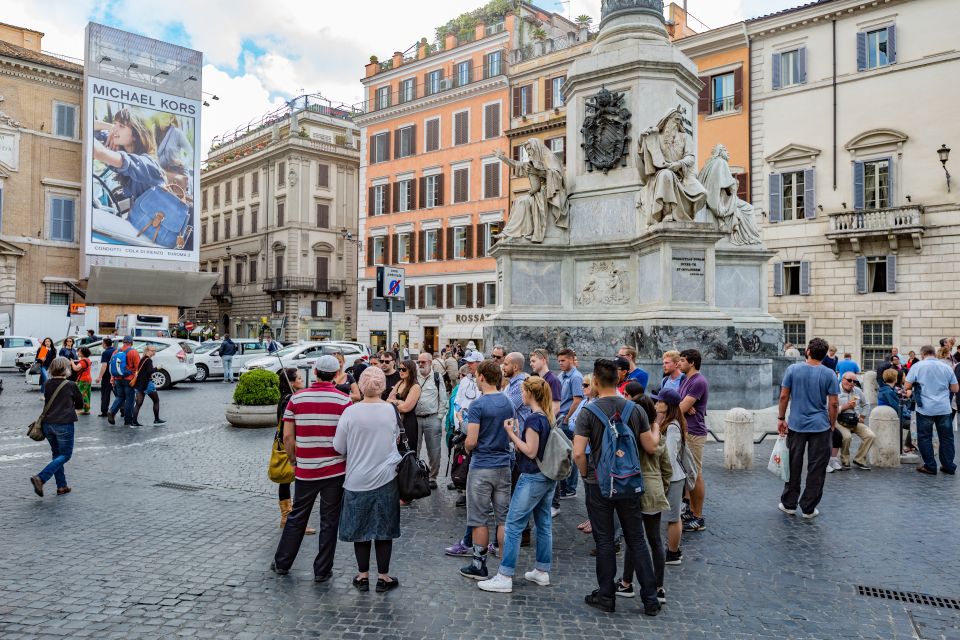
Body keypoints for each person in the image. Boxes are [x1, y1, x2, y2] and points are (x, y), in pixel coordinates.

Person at [574, 358, 662, 615]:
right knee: (637, 538)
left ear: (597, 382)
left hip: (598, 482)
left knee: (604, 541)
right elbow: (650, 447)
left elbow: (578, 453)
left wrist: (585, 474)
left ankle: (606, 596)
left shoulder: (589, 411)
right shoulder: (635, 410)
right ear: (618, 380)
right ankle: (650, 599)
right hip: (629, 481)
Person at [271, 355, 352, 581]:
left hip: (306, 469)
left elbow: (288, 436)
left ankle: (282, 562)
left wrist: (294, 459)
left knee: (297, 516)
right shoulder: (344, 401)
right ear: (337, 374)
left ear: (314, 372)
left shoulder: (296, 399)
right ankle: (322, 570)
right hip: (335, 470)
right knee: (329, 521)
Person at [477, 376, 557, 593]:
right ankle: (542, 571)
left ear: (529, 394)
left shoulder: (534, 419)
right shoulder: (546, 416)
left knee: (513, 525)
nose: (521, 395)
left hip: (532, 476)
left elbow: (530, 451)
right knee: (544, 523)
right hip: (547, 475)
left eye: (523, 392)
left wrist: (511, 434)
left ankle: (505, 574)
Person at [334, 366, 402, 593]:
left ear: (361, 386)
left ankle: (362, 575)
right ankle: (383, 576)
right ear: (383, 386)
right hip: (386, 477)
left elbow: (338, 447)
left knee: (360, 529)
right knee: (384, 529)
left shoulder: (350, 412)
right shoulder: (391, 411)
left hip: (356, 478)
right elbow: (397, 440)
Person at [459, 360, 514, 580]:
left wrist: (465, 444)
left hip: (482, 465)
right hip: (504, 464)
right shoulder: (508, 401)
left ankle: (479, 565)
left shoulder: (478, 405)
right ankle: (504, 567)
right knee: (503, 518)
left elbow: (471, 441)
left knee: (479, 518)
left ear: (481, 377)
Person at [777, 338, 840, 519]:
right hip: (820, 426)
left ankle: (789, 503)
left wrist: (781, 418)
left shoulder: (793, 369)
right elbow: (834, 403)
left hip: (797, 424)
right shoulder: (829, 374)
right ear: (824, 354)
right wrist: (833, 423)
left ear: (808, 352)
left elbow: (783, 396)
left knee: (793, 465)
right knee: (817, 468)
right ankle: (808, 508)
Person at [617, 394, 671, 605]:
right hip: (654, 489)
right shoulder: (658, 437)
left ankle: (626, 582)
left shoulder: (628, 436)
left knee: (633, 538)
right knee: (655, 539)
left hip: (631, 489)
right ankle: (659, 587)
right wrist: (661, 488)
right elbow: (667, 469)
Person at [29, 357, 84, 498]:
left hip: (47, 424)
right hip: (64, 423)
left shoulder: (47, 383)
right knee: (65, 455)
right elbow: (79, 404)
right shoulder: (71, 384)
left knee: (56, 454)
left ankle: (62, 486)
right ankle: (41, 478)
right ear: (66, 368)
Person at [905, 345, 958, 475]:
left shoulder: (917, 366)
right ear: (934, 353)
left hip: (925, 408)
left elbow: (907, 385)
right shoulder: (946, 367)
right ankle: (948, 466)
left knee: (925, 437)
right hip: (944, 408)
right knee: (947, 438)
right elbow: (955, 389)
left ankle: (930, 466)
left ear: (922, 354)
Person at [92, 107, 165, 201]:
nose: (115, 129)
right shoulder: (117, 142)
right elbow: (90, 124)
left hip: (156, 214)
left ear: (136, 135)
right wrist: (110, 127)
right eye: (115, 124)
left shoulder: (146, 163)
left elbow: (99, 152)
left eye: (121, 126)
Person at [274, 367, 315, 535]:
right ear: (291, 382)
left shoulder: (285, 397)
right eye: (298, 378)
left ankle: (286, 517)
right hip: (293, 443)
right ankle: (296, 522)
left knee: (286, 480)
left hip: (284, 443)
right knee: (300, 482)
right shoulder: (290, 399)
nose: (301, 380)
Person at [656, 388, 687, 565]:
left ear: (668, 406)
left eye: (660, 401)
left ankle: (673, 553)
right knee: (672, 517)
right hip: (671, 477)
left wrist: (664, 481)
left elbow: (668, 457)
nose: (657, 403)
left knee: (674, 518)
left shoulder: (672, 427)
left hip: (673, 478)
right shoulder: (668, 423)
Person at [678, 349, 709, 532]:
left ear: (692, 363)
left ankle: (699, 517)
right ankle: (691, 510)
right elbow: (679, 403)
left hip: (694, 432)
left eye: (682, 360)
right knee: (689, 473)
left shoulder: (698, 381)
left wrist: (683, 405)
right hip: (686, 430)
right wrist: (681, 405)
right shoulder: (685, 379)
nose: (679, 363)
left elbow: (681, 407)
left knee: (696, 473)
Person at [387, 360, 421, 504]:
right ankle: (397, 489)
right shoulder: (400, 383)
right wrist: (398, 403)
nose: (400, 371)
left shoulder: (415, 386)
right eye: (399, 369)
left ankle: (408, 494)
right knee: (396, 454)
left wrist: (396, 403)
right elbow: (388, 399)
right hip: (396, 422)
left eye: (403, 369)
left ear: (411, 371)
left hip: (408, 423)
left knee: (407, 455)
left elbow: (407, 407)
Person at [415, 352, 448, 489]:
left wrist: (439, 417)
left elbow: (443, 398)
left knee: (434, 450)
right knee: (413, 448)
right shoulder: (413, 377)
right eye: (419, 362)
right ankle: (414, 475)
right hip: (415, 418)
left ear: (430, 362)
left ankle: (433, 477)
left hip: (432, 418)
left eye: (423, 362)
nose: (420, 364)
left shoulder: (436, 376)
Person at [557, 348, 584, 500]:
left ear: (572, 360)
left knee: (570, 455)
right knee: (563, 454)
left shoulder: (576, 377)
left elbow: (577, 400)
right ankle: (564, 486)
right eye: (559, 360)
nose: (561, 363)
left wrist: (567, 417)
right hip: (561, 418)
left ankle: (570, 488)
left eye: (563, 360)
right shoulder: (561, 376)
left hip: (568, 419)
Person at [834, 372, 875, 470]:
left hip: (854, 420)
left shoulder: (857, 391)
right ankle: (845, 460)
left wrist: (862, 416)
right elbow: (830, 409)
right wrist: (845, 406)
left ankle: (859, 459)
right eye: (849, 380)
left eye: (854, 381)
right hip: (839, 420)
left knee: (870, 435)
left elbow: (866, 404)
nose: (852, 383)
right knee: (847, 437)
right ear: (843, 379)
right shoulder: (835, 391)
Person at [108, 336, 140, 428]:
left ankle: (111, 411)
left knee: (120, 397)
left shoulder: (116, 351)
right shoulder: (133, 352)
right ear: (131, 342)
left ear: (123, 342)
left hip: (118, 378)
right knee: (130, 399)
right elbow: (138, 367)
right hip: (129, 379)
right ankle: (128, 420)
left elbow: (112, 366)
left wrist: (112, 378)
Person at [133, 345, 165, 426]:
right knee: (156, 401)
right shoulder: (148, 360)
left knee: (138, 403)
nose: (154, 352)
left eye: (155, 350)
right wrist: (157, 368)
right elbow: (149, 371)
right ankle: (157, 420)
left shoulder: (142, 359)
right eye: (152, 350)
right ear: (147, 351)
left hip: (139, 384)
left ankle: (134, 422)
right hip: (147, 384)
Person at [530, 349, 561, 418]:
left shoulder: (553, 380)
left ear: (543, 360)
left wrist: (543, 422)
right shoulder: (538, 379)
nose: (531, 364)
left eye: (533, 361)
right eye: (530, 361)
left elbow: (556, 407)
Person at [70, 347, 93, 415]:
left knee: (82, 394)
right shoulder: (87, 359)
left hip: (83, 379)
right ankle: (86, 409)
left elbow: (76, 368)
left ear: (83, 353)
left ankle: (82, 409)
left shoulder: (83, 361)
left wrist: (72, 362)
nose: (78, 353)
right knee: (87, 394)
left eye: (79, 351)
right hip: (88, 379)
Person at [97, 338, 116, 417]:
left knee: (105, 394)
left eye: (102, 343)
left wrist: (99, 377)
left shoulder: (105, 353)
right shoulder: (116, 351)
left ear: (104, 344)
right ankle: (123, 410)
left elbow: (104, 366)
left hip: (107, 376)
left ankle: (104, 411)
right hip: (116, 375)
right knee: (118, 394)